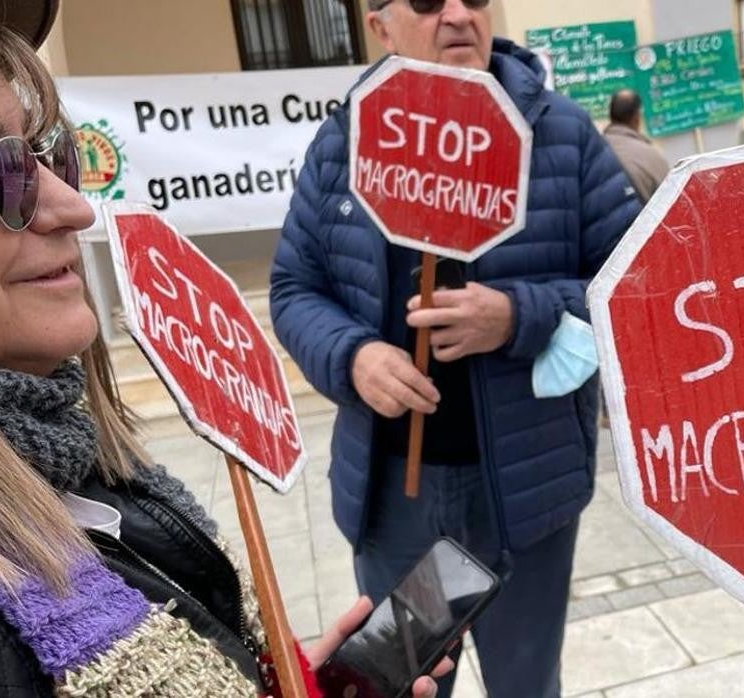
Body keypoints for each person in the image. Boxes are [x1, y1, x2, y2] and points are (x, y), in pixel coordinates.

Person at [0, 2, 448, 695]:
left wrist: (255, 678)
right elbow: (297, 287)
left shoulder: (73, 456)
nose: (74, 206)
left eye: (49, 153)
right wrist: (351, 354)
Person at [269, 1, 641, 696]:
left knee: (525, 684)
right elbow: (294, 286)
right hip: (398, 501)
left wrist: (520, 316)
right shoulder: (344, 139)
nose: (457, 16)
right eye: (427, 1)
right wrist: (352, 356)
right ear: (379, 26)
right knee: (403, 685)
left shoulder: (562, 134)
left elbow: (638, 285)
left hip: (525, 502)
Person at [604, 88, 671, 203]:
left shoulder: (594, 150)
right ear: (637, 117)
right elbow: (669, 201)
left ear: (611, 116)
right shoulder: (651, 156)